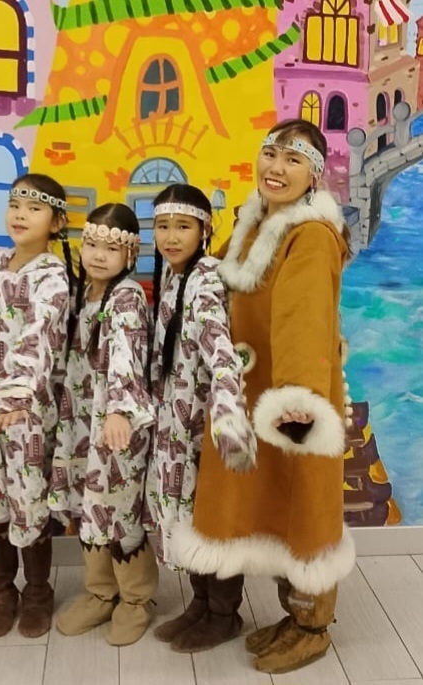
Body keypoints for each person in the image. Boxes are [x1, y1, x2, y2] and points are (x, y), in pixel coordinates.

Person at [168, 119, 356, 672]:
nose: (276, 168)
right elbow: (217, 287)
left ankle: (312, 625)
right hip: (250, 388)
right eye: (271, 154)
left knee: (302, 506)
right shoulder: (254, 222)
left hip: (290, 397)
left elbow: (305, 316)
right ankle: (286, 616)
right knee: (269, 503)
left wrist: (297, 399)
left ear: (314, 175)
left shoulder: (310, 234)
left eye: (293, 160)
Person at [0, 173, 73, 639]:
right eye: (15, 204)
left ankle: (38, 592)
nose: (20, 214)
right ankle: (1, 591)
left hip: (26, 409)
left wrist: (18, 393)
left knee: (28, 495)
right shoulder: (0, 262)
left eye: (34, 207)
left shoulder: (53, 277)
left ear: (56, 222)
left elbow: (39, 337)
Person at [145, 183, 256, 653]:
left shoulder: (206, 279)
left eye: (183, 226)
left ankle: (224, 614)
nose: (171, 237)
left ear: (205, 230)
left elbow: (221, 352)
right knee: (186, 519)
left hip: (201, 428)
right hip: (175, 423)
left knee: (213, 522)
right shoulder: (174, 278)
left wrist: (229, 415)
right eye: (162, 226)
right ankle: (201, 604)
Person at [50, 203, 158, 646]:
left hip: (117, 424)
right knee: (88, 505)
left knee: (118, 509)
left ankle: (136, 599)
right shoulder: (82, 293)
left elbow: (126, 355)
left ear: (130, 254)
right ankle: (100, 592)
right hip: (81, 423)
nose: (98, 255)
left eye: (111, 248)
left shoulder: (126, 297)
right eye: (92, 244)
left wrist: (119, 410)